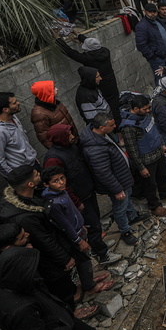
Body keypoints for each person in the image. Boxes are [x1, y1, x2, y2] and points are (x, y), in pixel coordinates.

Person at [0, 166, 89, 315]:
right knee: (60, 284)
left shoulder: (30, 198)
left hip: (54, 248)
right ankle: (71, 312)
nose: (39, 174)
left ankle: (74, 292)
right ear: (30, 184)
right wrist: (64, 258)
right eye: (36, 174)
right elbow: (45, 240)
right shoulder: (26, 217)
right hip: (49, 260)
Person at [43, 124, 119, 265]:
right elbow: (60, 186)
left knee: (96, 222)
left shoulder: (70, 147)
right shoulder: (53, 159)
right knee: (92, 226)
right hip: (78, 199)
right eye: (68, 134)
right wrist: (76, 202)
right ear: (60, 138)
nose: (72, 136)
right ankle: (103, 256)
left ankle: (98, 247)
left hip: (87, 192)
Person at [40, 167, 114, 296]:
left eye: (62, 178)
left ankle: (88, 280)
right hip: (74, 237)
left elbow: (73, 212)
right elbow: (65, 226)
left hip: (79, 229)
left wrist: (82, 225)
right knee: (84, 261)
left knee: (85, 259)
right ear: (46, 185)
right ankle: (89, 286)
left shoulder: (62, 192)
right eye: (55, 181)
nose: (61, 182)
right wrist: (79, 241)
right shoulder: (53, 203)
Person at [80, 113, 148, 246]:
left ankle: (132, 217)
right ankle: (125, 231)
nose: (115, 126)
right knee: (120, 208)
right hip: (118, 183)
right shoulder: (95, 148)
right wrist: (117, 189)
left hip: (122, 178)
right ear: (101, 127)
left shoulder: (102, 135)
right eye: (111, 125)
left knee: (127, 200)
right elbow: (103, 172)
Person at [120, 94, 166, 217]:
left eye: (148, 108)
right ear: (135, 109)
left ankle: (165, 194)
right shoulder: (128, 127)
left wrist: (162, 144)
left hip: (158, 153)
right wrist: (141, 167)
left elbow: (154, 131)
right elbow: (132, 150)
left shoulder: (146, 116)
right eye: (145, 109)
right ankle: (154, 206)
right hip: (146, 160)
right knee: (150, 185)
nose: (148, 110)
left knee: (162, 175)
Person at [55, 34, 121, 124]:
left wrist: (58, 39)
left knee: (105, 111)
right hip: (111, 84)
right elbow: (93, 44)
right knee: (115, 107)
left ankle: (111, 127)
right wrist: (79, 36)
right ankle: (118, 128)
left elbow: (70, 52)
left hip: (101, 87)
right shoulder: (106, 51)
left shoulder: (87, 58)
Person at [0, 92, 38, 181]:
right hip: (21, 175)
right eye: (14, 103)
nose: (18, 103)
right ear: (5, 109)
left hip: (33, 165)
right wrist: (16, 178)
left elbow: (22, 142)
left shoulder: (13, 118)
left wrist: (33, 158)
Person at [29, 81, 78, 149]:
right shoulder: (39, 114)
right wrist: (61, 151)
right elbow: (44, 138)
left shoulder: (55, 102)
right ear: (46, 91)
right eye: (53, 88)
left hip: (74, 140)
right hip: (65, 147)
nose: (57, 89)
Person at [134, 3, 166, 80]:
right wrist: (153, 56)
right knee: (161, 82)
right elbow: (141, 45)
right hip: (158, 59)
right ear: (145, 12)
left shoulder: (158, 21)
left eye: (154, 12)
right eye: (150, 12)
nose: (153, 14)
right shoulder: (142, 26)